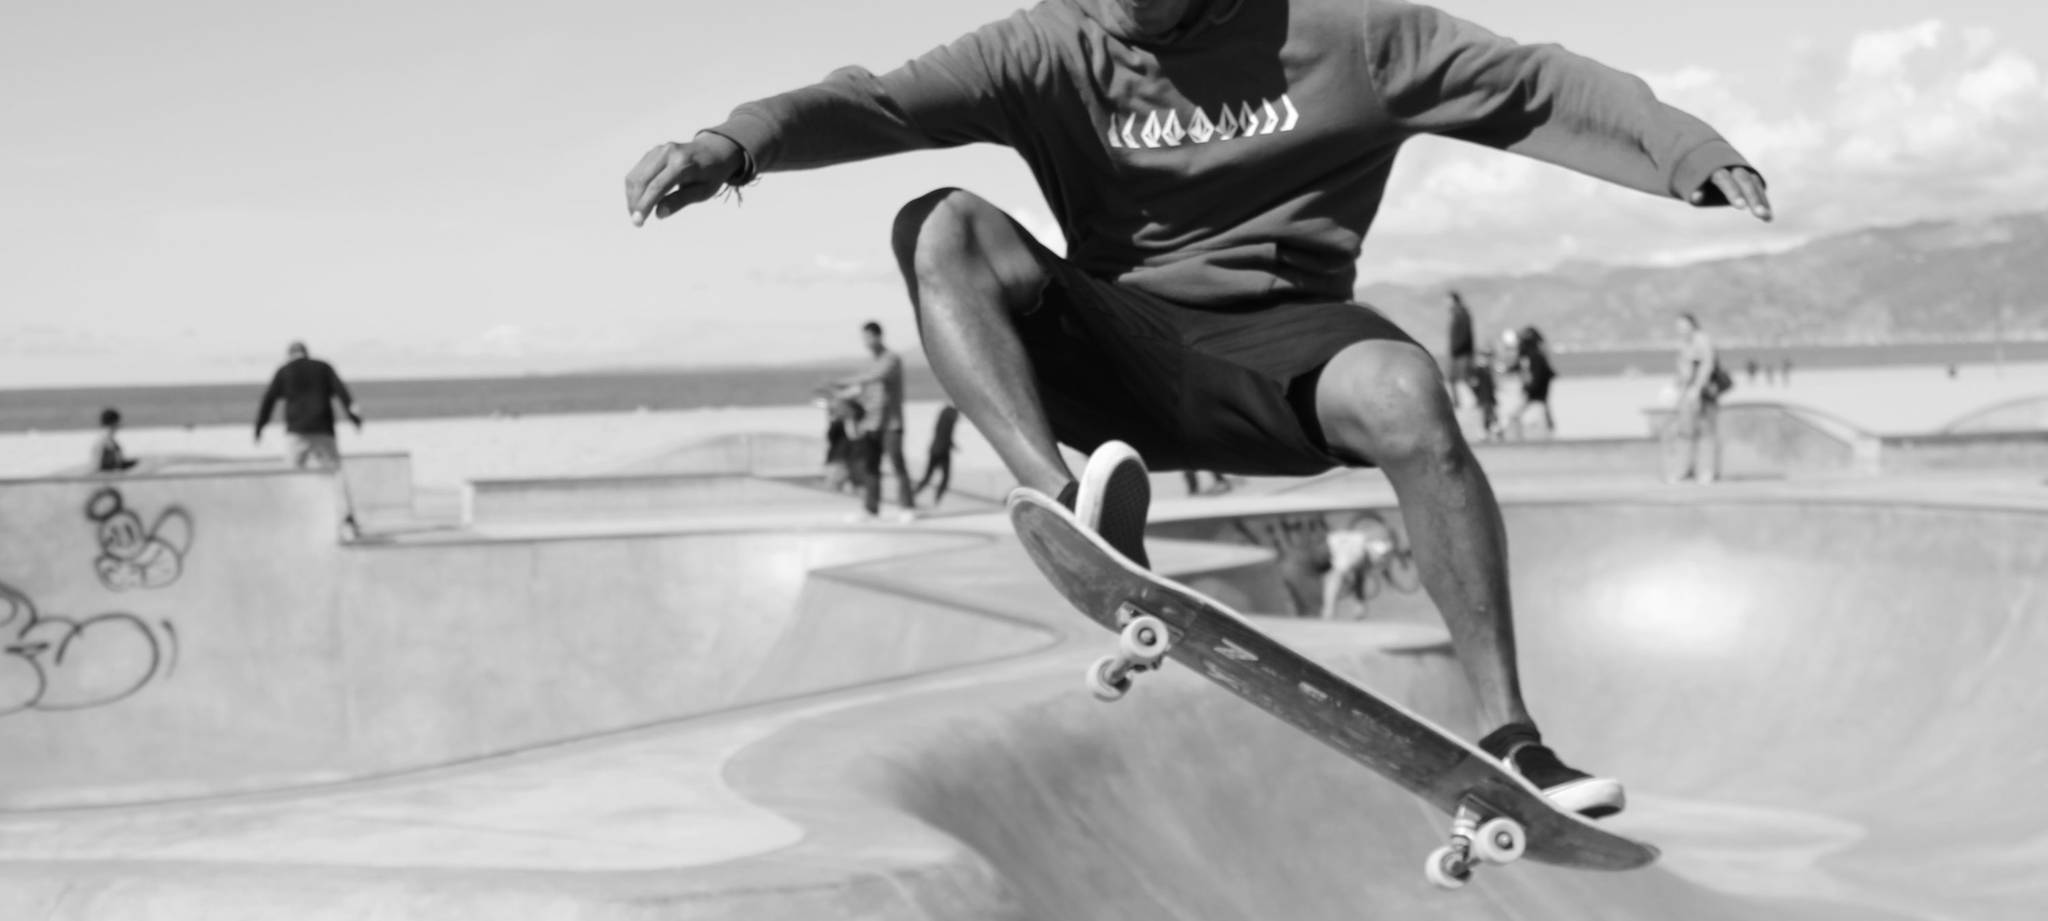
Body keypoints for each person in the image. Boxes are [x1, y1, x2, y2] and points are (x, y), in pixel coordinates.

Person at [623, 0, 1773, 818]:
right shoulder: (1048, 44)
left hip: (1286, 344)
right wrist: (735, 145)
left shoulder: (1351, 36)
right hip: (1112, 344)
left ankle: (1511, 739)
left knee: (1407, 391)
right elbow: (873, 102)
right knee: (941, 223)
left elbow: (1536, 81)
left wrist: (1684, 151)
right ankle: (1063, 505)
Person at [254, 341, 364, 538]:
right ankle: (347, 521)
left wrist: (259, 426)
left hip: (297, 433)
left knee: (291, 476)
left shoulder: (285, 370)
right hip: (323, 431)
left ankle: (287, 519)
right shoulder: (323, 368)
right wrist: (354, 418)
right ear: (306, 353)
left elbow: (268, 399)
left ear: (290, 355)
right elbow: (342, 393)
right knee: (335, 475)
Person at [828, 321, 915, 518]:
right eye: (864, 338)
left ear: (878, 336)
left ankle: (907, 507)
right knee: (871, 466)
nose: (866, 341)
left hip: (892, 423)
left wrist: (842, 382)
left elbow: (874, 376)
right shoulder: (870, 361)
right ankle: (870, 508)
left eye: (868, 337)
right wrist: (842, 396)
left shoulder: (891, 359)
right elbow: (862, 390)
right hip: (871, 422)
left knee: (897, 464)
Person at [1666, 312, 1724, 483]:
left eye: (1684, 326)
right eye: (1678, 326)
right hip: (1686, 394)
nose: (1681, 329)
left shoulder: (1702, 340)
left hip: (1704, 394)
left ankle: (1706, 471)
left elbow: (1707, 365)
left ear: (1693, 325)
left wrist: (1697, 389)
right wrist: (1675, 389)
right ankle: (1683, 470)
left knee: (1706, 431)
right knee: (1684, 431)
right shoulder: (1682, 344)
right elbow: (1682, 370)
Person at [1506, 326, 1558, 438]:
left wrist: (1528, 389)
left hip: (1535, 401)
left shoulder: (1534, 358)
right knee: (1516, 419)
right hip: (1535, 401)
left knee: (1525, 422)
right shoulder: (1533, 357)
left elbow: (1536, 382)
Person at [915, 403, 962, 505]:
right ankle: (935, 498)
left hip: (936, 449)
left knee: (929, 477)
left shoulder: (945, 414)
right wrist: (950, 444)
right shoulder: (950, 415)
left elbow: (942, 434)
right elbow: (945, 435)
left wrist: (952, 444)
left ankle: (916, 494)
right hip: (941, 451)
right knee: (943, 477)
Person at [1445, 292, 1475, 408]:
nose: (1446, 303)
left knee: (1466, 378)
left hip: (1461, 352)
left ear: (1454, 300)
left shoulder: (1461, 314)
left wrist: (1456, 348)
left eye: (1448, 300)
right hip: (1457, 352)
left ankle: (1479, 399)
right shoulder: (1456, 313)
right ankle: (1455, 402)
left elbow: (1464, 335)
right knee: (1452, 379)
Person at [93, 408, 140, 473]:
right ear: (114, 422)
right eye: (119, 422)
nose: (120, 424)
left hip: (105, 471)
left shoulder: (103, 437)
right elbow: (115, 463)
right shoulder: (107, 439)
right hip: (107, 474)